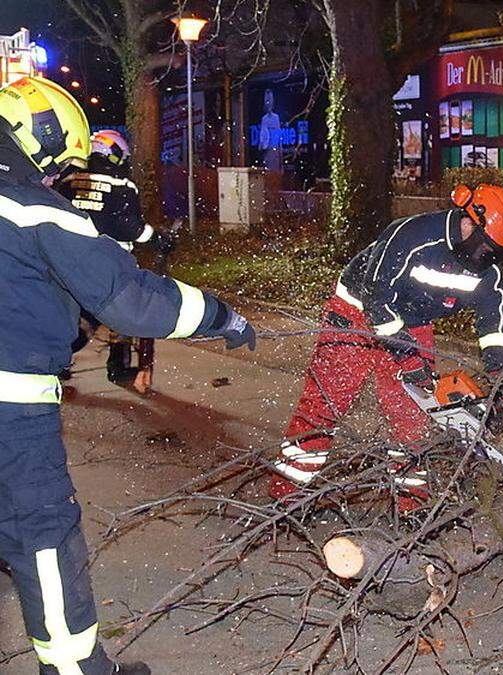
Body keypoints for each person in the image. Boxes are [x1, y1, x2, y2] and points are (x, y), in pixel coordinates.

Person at [0, 76, 257, 675]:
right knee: (41, 533)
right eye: (59, 165)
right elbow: (129, 300)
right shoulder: (34, 207)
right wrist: (221, 316)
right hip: (10, 405)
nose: (57, 177)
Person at [269, 184, 503, 503]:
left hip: (413, 322)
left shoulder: (488, 272)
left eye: (495, 251)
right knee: (326, 403)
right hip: (357, 312)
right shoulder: (413, 236)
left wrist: (501, 374)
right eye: (485, 247)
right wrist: (407, 356)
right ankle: (287, 494)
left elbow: (494, 320)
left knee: (411, 417)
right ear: (469, 223)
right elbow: (377, 297)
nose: (487, 256)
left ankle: (411, 503)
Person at [55, 130, 175, 386]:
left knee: (77, 322)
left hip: (67, 264)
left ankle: (55, 362)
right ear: (116, 154)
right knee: (121, 315)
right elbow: (130, 226)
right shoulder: (122, 185)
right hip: (109, 266)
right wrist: (158, 238)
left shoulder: (69, 180)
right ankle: (117, 368)